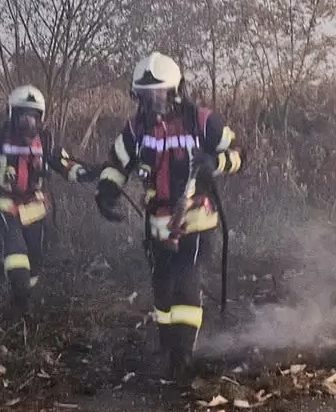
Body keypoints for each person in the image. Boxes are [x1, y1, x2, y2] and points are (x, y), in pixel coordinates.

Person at [95, 52, 243, 380]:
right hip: (157, 223)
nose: (153, 103)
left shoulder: (202, 121)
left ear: (176, 91)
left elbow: (237, 154)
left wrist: (214, 164)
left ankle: (184, 355)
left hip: (197, 218)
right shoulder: (136, 129)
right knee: (162, 286)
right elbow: (116, 164)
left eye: (159, 94)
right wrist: (106, 191)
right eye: (146, 96)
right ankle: (166, 343)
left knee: (186, 280)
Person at [0, 85, 93, 312]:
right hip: (5, 205)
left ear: (41, 119)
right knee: (16, 252)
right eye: (23, 118)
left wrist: (89, 172)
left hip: (35, 208)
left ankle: (26, 296)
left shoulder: (46, 143)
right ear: (12, 115)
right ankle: (20, 300)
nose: (28, 124)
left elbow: (66, 164)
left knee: (35, 259)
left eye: (33, 118)